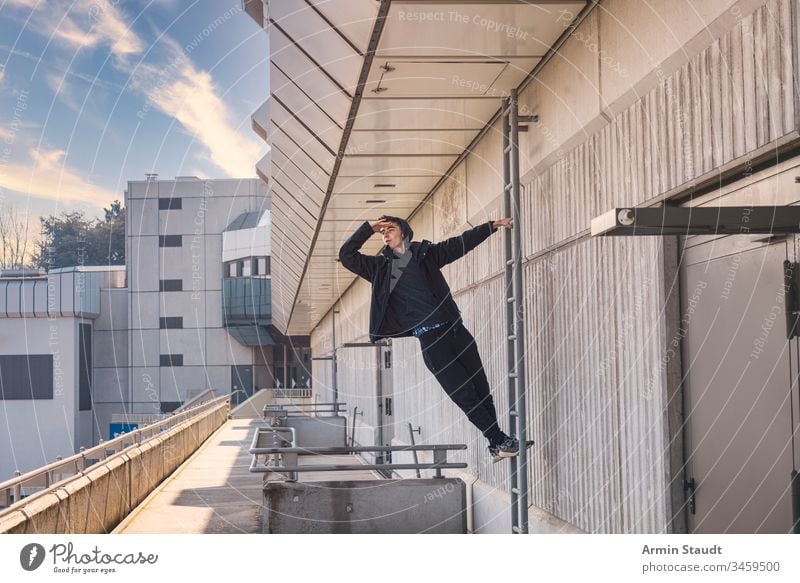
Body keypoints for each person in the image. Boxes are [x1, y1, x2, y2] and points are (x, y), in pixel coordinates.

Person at [338, 214, 524, 462]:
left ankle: (496, 443)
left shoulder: (425, 255)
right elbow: (346, 255)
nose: (385, 234)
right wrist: (368, 228)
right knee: (464, 394)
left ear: (404, 231)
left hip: (456, 330)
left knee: (481, 389)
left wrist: (491, 227)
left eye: (390, 229)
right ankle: (500, 440)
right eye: (382, 232)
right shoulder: (379, 269)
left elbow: (459, 245)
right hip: (431, 341)